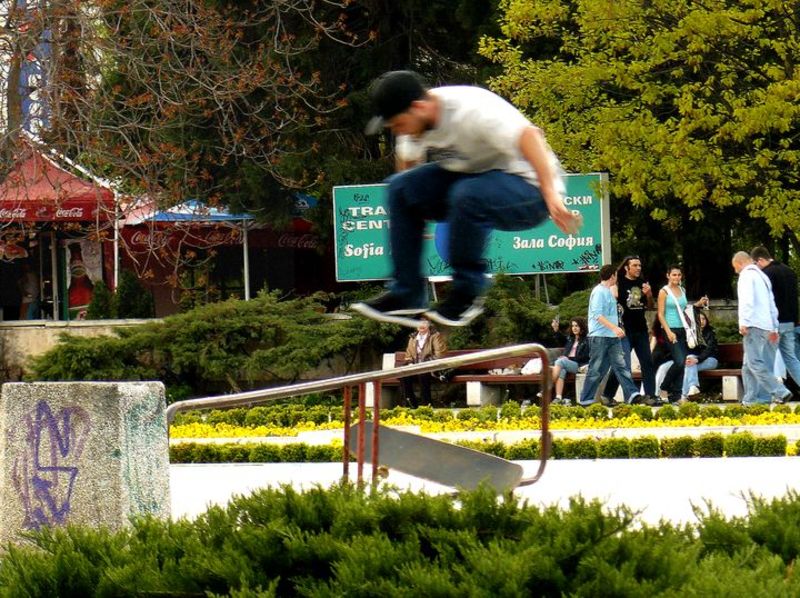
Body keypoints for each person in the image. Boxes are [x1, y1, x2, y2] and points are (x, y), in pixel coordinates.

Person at [351, 70, 582, 328]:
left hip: (530, 189)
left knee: (467, 193)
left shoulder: (473, 109)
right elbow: (408, 166)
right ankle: (407, 294)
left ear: (418, 107)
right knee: (399, 188)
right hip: (474, 181)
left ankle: (467, 294)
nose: (398, 132)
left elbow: (530, 136)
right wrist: (412, 217)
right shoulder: (415, 122)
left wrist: (551, 196)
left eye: (398, 125)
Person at [731, 251, 791, 405]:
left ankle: (780, 391)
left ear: (740, 263)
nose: (735, 271)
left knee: (754, 363)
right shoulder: (762, 276)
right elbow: (772, 304)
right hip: (767, 325)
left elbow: (747, 301)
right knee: (748, 364)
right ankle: (751, 400)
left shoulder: (746, 276)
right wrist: (774, 327)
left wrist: (744, 322)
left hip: (753, 324)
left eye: (735, 267)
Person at [577, 265, 642, 407]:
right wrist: (614, 328)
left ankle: (632, 394)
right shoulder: (598, 292)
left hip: (612, 337)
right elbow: (597, 315)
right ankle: (586, 399)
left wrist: (616, 329)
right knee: (596, 369)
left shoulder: (608, 291)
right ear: (612, 276)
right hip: (599, 336)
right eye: (616, 275)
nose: (617, 278)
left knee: (621, 366)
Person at [601, 255, 659, 406]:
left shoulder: (642, 283)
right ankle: (607, 395)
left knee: (647, 362)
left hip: (641, 329)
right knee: (623, 364)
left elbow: (650, 307)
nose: (638, 268)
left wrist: (649, 294)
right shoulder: (618, 283)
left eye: (639, 265)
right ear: (627, 268)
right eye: (635, 265)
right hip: (624, 331)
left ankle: (650, 395)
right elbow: (610, 306)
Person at [656, 265, 709, 403]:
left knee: (682, 362)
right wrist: (668, 331)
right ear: (668, 275)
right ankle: (664, 387)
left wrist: (698, 304)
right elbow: (660, 314)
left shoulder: (682, 290)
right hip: (670, 329)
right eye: (674, 275)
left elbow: (684, 310)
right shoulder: (664, 292)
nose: (677, 277)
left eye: (679, 275)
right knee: (679, 361)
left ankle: (677, 395)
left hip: (683, 329)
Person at [751, 246, 800, 389]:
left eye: (755, 264)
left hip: (774, 324)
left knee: (767, 361)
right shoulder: (789, 271)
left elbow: (765, 301)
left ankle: (768, 394)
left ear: (760, 260)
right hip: (790, 322)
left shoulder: (766, 274)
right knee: (791, 359)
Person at [400, 316, 447, 407]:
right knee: (404, 375)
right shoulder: (412, 338)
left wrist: (424, 363)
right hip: (416, 368)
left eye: (424, 323)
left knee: (423, 373)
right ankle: (411, 404)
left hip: (431, 369)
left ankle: (427, 405)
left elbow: (439, 355)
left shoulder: (435, 336)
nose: (421, 325)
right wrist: (410, 363)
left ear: (429, 325)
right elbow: (408, 356)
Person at [548, 316, 589, 405]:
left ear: (582, 327)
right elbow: (561, 339)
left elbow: (585, 357)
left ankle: (547, 387)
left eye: (577, 326)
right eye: (573, 326)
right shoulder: (571, 339)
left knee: (560, 362)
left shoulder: (586, 340)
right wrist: (556, 329)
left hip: (579, 365)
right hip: (567, 364)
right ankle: (558, 397)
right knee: (561, 370)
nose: (574, 328)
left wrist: (568, 359)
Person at [682, 311, 719, 397]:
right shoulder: (691, 334)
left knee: (689, 365)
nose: (702, 321)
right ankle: (692, 388)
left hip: (711, 360)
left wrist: (697, 359)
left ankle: (684, 395)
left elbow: (709, 350)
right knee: (689, 363)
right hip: (696, 361)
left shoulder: (710, 333)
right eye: (699, 319)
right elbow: (690, 351)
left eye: (703, 319)